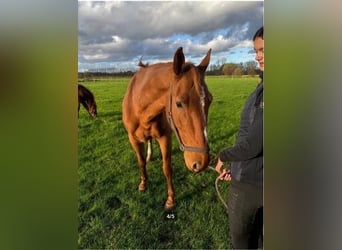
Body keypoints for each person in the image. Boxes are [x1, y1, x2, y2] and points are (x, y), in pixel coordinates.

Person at [215, 26, 264, 249]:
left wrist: (223, 155)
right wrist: (235, 169)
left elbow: (254, 144)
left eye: (263, 50)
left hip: (251, 185)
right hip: (252, 174)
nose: (258, 56)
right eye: (256, 51)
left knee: (242, 241)